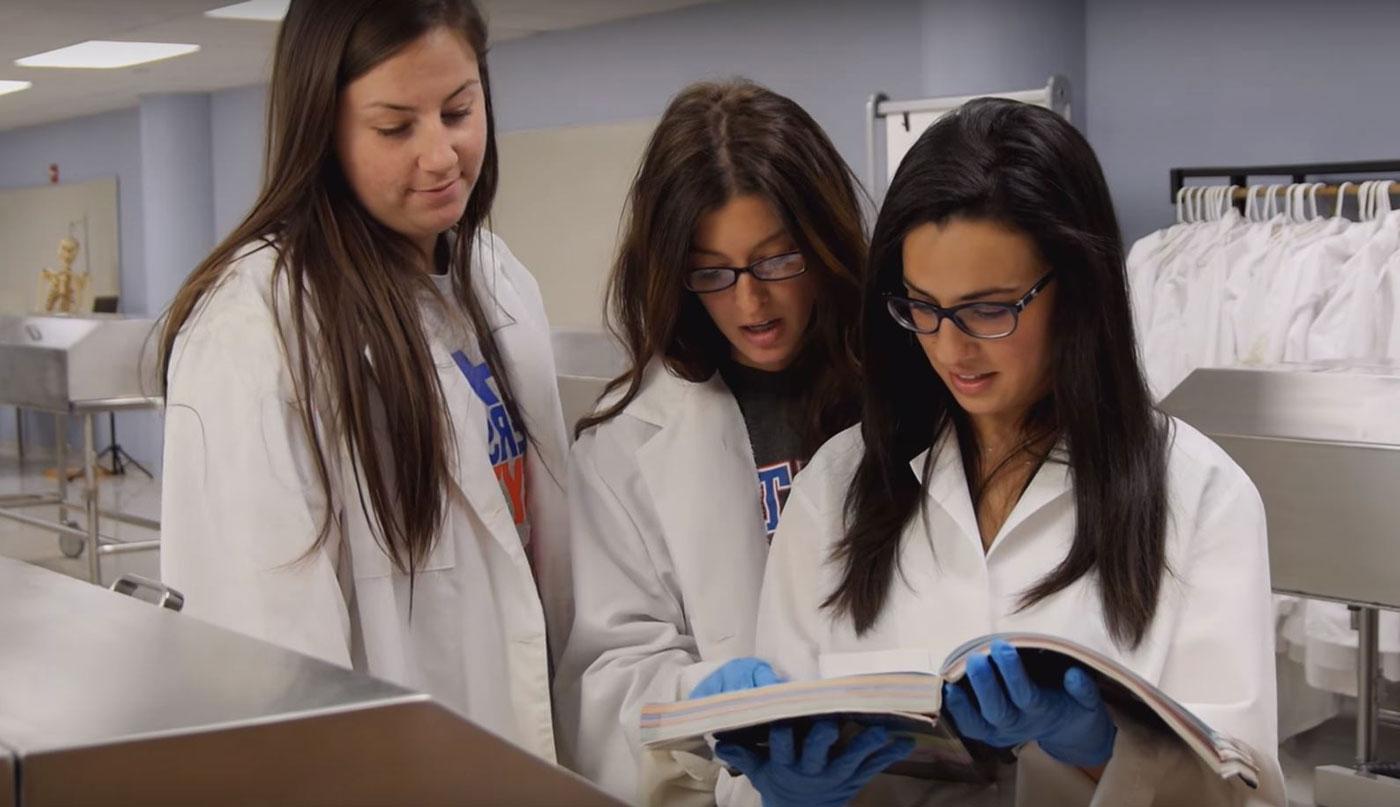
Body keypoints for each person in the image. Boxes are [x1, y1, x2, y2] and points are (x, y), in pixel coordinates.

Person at [712, 98, 1285, 805]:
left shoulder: (1200, 497)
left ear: (1075, 289)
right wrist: (782, 789)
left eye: (989, 308)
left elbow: (1248, 798)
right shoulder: (837, 486)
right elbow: (749, 785)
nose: (951, 348)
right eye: (922, 306)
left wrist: (1106, 751)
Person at [157, 0, 570, 762]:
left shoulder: (498, 279)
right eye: (395, 127)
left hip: (517, 759)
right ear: (323, 130)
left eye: (458, 110)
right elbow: (267, 671)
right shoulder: (261, 328)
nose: (442, 154)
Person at [553, 79, 869, 803]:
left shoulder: (907, 389)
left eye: (778, 260)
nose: (750, 302)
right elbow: (606, 685)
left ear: (824, 242)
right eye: (713, 273)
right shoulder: (627, 440)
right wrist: (707, 701)